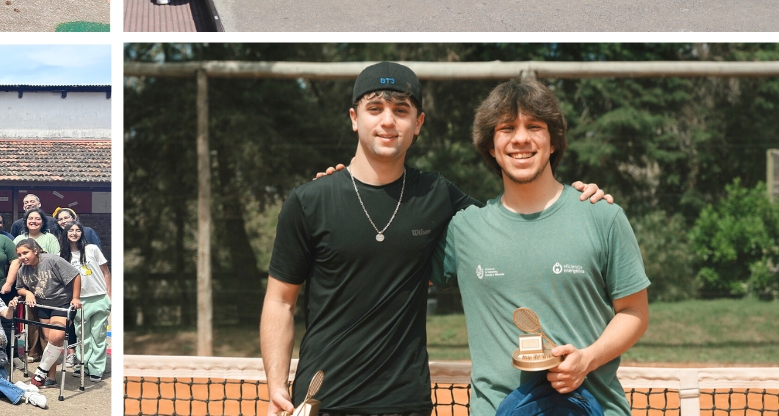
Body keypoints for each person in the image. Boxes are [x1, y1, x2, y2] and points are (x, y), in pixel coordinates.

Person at [260, 63, 615, 416]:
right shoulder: (308, 201)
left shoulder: (437, 194)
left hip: (406, 402)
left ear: (418, 123)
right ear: (355, 118)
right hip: (322, 398)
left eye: (401, 111)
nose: (387, 121)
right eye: (374, 109)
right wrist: (277, 386)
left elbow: (513, 223)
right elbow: (280, 302)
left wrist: (572, 199)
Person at [431, 77, 651, 416]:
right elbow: (389, 266)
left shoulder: (602, 216)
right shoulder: (464, 228)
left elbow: (635, 312)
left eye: (534, 126)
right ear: (491, 146)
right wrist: (344, 185)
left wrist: (586, 359)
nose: (521, 138)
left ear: (552, 143)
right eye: (506, 128)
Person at [2, 240, 80, 387]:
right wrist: (28, 292)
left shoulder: (52, 260)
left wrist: (76, 297)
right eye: (19, 254)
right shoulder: (22, 269)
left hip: (61, 303)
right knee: (48, 339)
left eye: (25, 253)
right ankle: (51, 378)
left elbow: (75, 275)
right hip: (43, 305)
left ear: (35, 251)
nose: (22, 257)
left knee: (56, 336)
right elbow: (19, 288)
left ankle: (41, 370)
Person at [59, 221, 109, 379]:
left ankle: (96, 369)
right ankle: (84, 365)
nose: (74, 233)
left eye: (77, 230)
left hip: (99, 298)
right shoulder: (63, 255)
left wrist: (110, 295)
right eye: (70, 230)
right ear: (65, 234)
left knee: (99, 336)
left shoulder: (92, 249)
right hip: (79, 301)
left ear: (82, 233)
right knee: (83, 337)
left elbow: (106, 272)